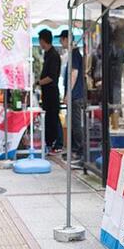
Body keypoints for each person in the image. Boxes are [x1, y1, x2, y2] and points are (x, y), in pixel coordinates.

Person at [59, 29, 85, 159]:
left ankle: (80, 151)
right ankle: (75, 149)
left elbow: (73, 74)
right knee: (73, 123)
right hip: (74, 95)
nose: (60, 42)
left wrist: (68, 94)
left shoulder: (74, 54)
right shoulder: (73, 54)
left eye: (61, 39)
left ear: (66, 39)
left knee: (76, 123)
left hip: (75, 95)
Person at [37, 29, 63, 152]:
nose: (39, 43)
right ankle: (49, 142)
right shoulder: (47, 54)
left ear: (43, 40)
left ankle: (58, 143)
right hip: (46, 93)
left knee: (54, 117)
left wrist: (38, 82)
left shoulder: (54, 55)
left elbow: (51, 77)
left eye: (40, 40)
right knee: (49, 118)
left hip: (52, 92)